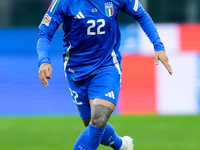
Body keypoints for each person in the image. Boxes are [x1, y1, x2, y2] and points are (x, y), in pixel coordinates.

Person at [37, 0, 173, 149]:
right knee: (93, 126)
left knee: (99, 119)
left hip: (106, 67)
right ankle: (122, 145)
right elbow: (45, 33)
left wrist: (158, 45)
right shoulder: (63, 2)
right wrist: (44, 61)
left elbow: (141, 14)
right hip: (76, 71)